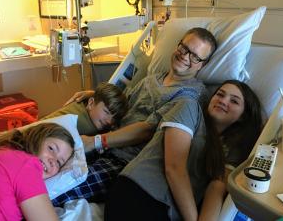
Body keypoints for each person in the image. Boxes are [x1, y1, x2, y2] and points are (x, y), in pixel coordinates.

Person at [52, 27, 218, 206]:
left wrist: (96, 141)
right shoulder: (150, 79)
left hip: (124, 161)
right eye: (184, 48)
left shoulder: (192, 95)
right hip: (103, 149)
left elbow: (147, 129)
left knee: (54, 194)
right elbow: (125, 104)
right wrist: (96, 95)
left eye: (195, 56)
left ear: (203, 64)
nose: (185, 56)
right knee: (44, 167)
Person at [104, 80, 263, 221]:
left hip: (171, 213)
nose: (223, 100)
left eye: (234, 101)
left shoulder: (229, 150)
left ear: (243, 116)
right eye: (220, 94)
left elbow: (216, 190)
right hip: (138, 193)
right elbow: (174, 169)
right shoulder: (189, 108)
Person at [0, 123, 75, 221]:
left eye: (59, 162)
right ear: (36, 138)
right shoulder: (27, 164)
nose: (53, 160)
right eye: (51, 148)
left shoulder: (2, 153)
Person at [0, 82, 128, 145]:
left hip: (25, 134)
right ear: (91, 103)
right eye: (106, 112)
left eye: (113, 118)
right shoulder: (85, 124)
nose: (108, 120)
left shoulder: (85, 105)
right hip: (22, 139)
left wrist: (91, 93)